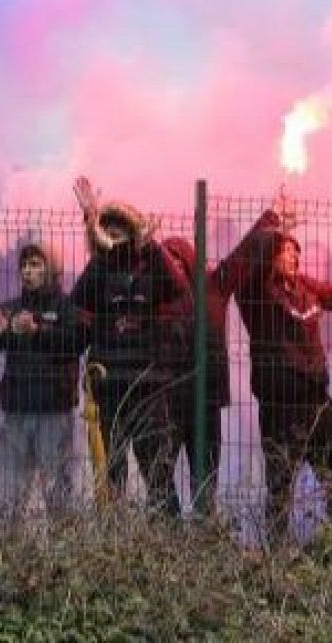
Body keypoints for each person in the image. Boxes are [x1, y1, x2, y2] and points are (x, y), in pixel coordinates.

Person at [234, 193, 332, 545]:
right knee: (280, 488)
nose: (294, 255)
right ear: (269, 256)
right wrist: (274, 223)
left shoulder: (306, 288)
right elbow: (248, 259)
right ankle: (278, 558)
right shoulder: (256, 295)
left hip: (317, 403)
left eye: (296, 250)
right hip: (281, 408)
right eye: (285, 250)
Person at [70, 178, 192, 515]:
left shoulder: (152, 266)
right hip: (108, 386)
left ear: (133, 234)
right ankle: (114, 547)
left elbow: (179, 287)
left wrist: (150, 245)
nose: (113, 239)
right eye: (107, 232)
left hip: (148, 386)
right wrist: (95, 234)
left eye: (120, 232)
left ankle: (166, 541)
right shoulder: (98, 272)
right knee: (111, 475)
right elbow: (76, 300)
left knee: (158, 473)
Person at [0, 241, 85, 523]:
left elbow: (74, 344)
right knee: (9, 498)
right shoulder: (7, 309)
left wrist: (37, 330)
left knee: (59, 499)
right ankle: (10, 558)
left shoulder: (67, 308)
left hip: (54, 415)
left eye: (35, 264)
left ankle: (64, 561)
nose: (27, 271)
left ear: (52, 269)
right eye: (24, 265)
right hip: (14, 416)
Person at [161, 221, 262, 516]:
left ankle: (203, 539)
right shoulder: (158, 301)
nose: (175, 267)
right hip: (167, 401)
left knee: (205, 480)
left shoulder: (213, 288)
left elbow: (241, 257)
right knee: (159, 475)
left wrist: (271, 219)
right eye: (168, 261)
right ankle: (168, 531)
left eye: (180, 260)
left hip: (206, 401)